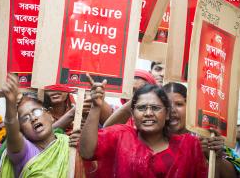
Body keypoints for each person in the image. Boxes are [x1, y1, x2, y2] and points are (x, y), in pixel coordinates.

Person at [80, 76, 208, 177]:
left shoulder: (189, 145)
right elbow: (87, 152)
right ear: (132, 114)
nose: (148, 113)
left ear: (167, 114)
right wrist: (96, 107)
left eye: (156, 108)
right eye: (141, 108)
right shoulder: (121, 136)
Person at [0, 74, 80, 178]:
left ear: (50, 115)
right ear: (21, 128)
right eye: (25, 118)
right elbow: (12, 133)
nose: (33, 118)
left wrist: (80, 147)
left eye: (36, 111)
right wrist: (10, 103)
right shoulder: (24, 151)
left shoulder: (67, 143)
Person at [43, 84, 113, 134]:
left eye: (60, 84)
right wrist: (74, 113)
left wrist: (98, 98)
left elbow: (112, 126)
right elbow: (46, 134)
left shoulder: (83, 107)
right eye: (51, 85)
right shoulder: (39, 112)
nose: (55, 89)